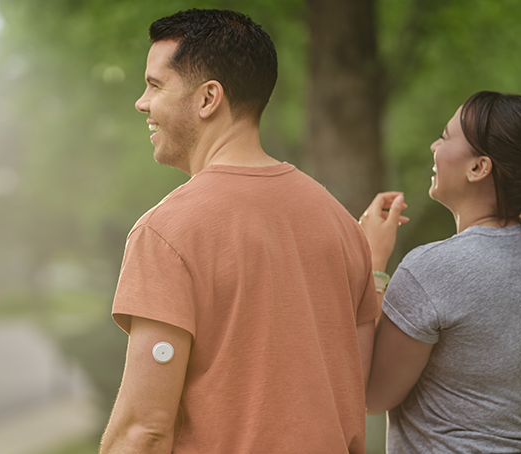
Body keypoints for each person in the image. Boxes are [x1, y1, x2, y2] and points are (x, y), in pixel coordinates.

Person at [99, 9, 380, 454]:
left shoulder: (167, 233)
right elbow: (357, 386)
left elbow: (143, 432)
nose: (141, 102)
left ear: (208, 98)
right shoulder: (339, 224)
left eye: (155, 85)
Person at [359, 91, 521, 453]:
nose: (434, 145)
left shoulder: (432, 270)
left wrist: (372, 262)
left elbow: (371, 395)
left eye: (446, 136)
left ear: (478, 168)